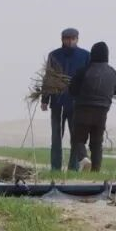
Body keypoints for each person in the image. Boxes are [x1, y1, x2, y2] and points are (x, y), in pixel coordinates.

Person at [41, 27, 90, 171]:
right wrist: (45, 99)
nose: (70, 41)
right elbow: (48, 78)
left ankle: (73, 168)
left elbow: (89, 78)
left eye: (73, 39)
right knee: (56, 136)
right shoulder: (54, 56)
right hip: (57, 102)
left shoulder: (86, 56)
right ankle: (55, 168)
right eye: (67, 39)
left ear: (77, 39)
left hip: (76, 103)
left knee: (75, 136)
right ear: (62, 39)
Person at [69, 41, 116, 172]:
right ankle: (96, 170)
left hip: (83, 109)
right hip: (102, 112)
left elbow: (72, 89)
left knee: (78, 139)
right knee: (97, 142)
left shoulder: (84, 70)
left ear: (92, 54)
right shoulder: (112, 72)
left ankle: (83, 158)